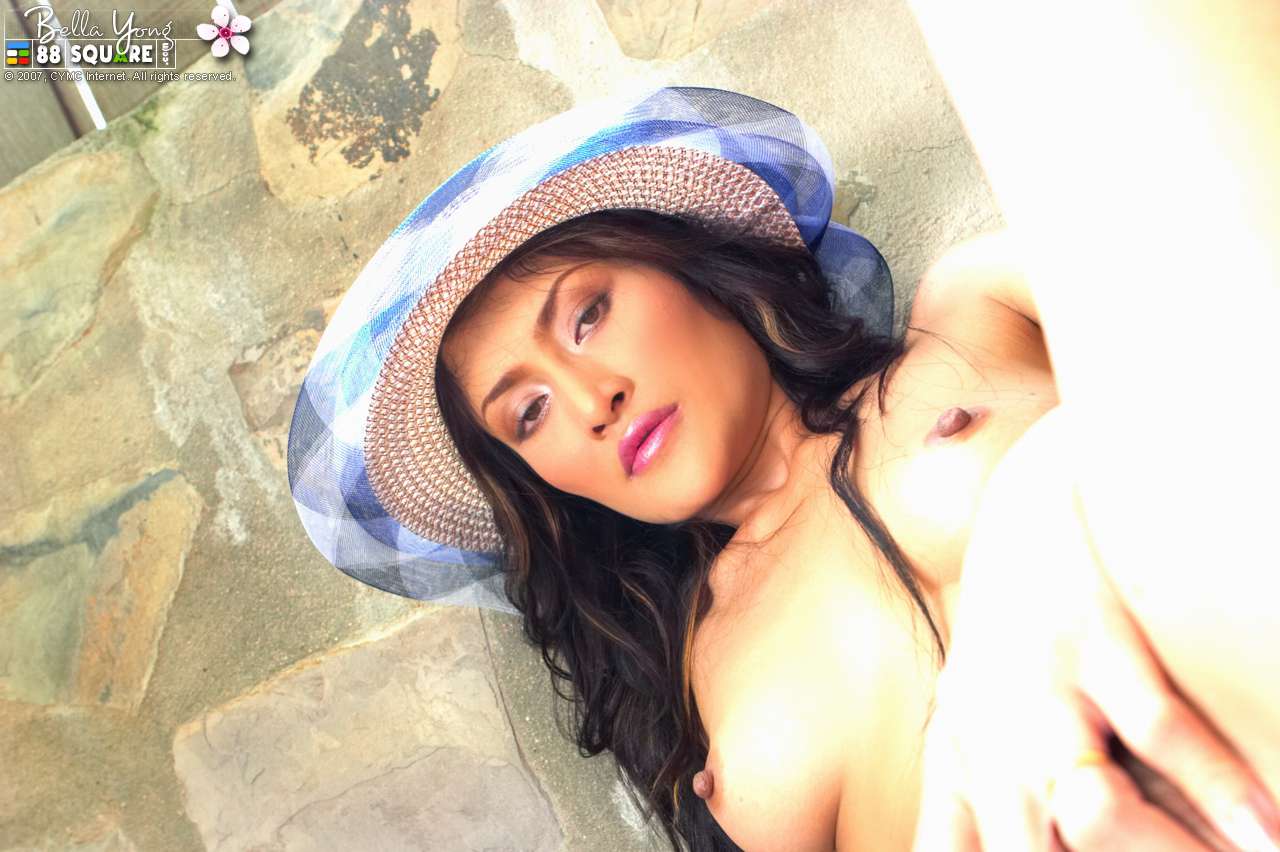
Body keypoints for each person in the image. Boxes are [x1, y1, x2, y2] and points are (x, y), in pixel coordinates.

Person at [287, 74, 1279, 852]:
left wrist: (1046, 485)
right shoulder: (690, 708)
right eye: (530, 411)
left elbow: (1241, 295)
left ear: (688, 263)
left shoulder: (975, 315)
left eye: (588, 313)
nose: (591, 402)